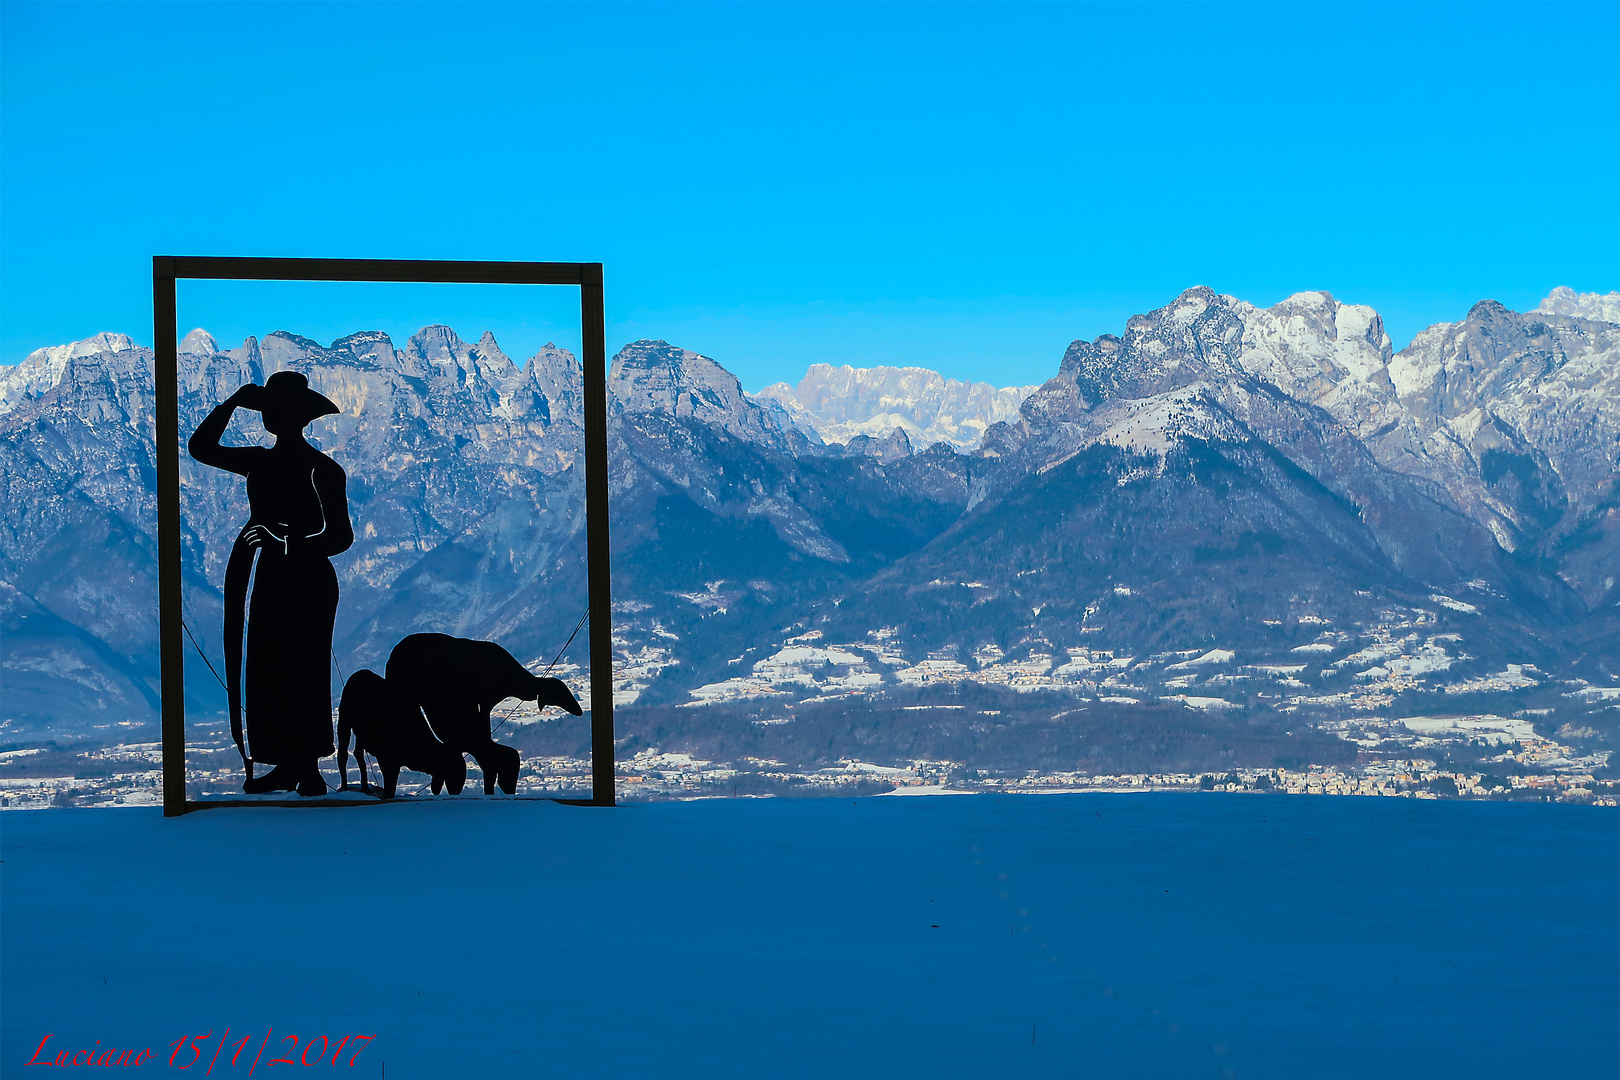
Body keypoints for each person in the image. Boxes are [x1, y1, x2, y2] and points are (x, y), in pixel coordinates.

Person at [189, 370, 353, 796]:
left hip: (308, 580)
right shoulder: (259, 462)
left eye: (273, 410)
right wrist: (232, 402)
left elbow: (340, 536)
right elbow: (200, 447)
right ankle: (286, 762)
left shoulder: (324, 470)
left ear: (295, 416)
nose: (267, 417)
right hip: (271, 576)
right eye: (265, 409)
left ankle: (307, 766)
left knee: (305, 666)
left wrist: (285, 541)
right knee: (266, 665)